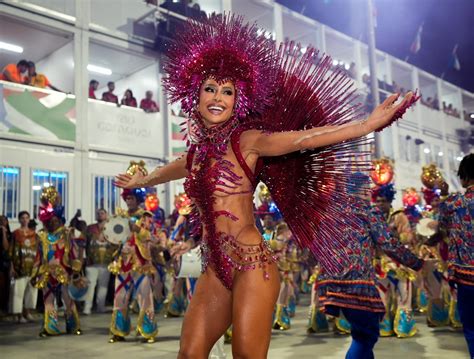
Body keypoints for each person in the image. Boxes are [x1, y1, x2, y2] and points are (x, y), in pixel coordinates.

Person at [115, 15, 417, 357]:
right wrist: (143, 179)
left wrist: (366, 124)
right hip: (215, 267)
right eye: (210, 88)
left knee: (247, 355)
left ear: (238, 99)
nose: (218, 97)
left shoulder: (248, 141)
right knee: (190, 353)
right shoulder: (196, 154)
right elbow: (170, 170)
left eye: (227, 91)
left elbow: (307, 138)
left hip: (251, 265)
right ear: (195, 94)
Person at [317, 172, 425, 358]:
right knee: (366, 336)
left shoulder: (331, 214)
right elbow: (388, 243)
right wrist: (415, 263)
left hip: (331, 283)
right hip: (357, 283)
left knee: (362, 333)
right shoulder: (368, 211)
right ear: (363, 190)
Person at [32, 187, 82, 337]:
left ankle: (73, 326)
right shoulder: (41, 236)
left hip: (64, 272)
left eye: (56, 220)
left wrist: (77, 271)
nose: (53, 223)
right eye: (50, 220)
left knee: (68, 300)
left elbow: (74, 252)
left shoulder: (67, 233)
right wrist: (35, 273)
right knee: (48, 300)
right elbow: (38, 256)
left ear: (60, 220)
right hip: (47, 272)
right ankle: (50, 328)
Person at [437, 154, 474, 357]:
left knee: (471, 328)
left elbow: (441, 225)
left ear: (465, 177)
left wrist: (443, 195)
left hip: (467, 278)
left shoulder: (455, 203)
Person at [373, 182, 419, 338]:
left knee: (403, 296)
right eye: (377, 201)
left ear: (390, 201)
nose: (380, 204)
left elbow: (409, 236)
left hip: (399, 264)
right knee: (381, 297)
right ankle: (384, 327)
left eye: (383, 201)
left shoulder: (399, 216)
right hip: (380, 264)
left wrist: (395, 236)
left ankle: (403, 328)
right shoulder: (372, 218)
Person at [83, 208, 117, 315]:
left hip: (106, 261)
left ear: (106, 215)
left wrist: (115, 259)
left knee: (103, 286)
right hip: (92, 261)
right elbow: (82, 242)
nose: (100, 215)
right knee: (90, 285)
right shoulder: (89, 228)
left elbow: (116, 245)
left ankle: (100, 306)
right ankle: (87, 308)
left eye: (102, 213)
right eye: (98, 213)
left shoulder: (111, 229)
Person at [9, 211, 38, 323]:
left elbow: (38, 251)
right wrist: (11, 267)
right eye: (22, 217)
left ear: (29, 219)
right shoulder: (15, 233)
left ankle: (28, 312)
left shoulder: (34, 234)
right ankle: (19, 314)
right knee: (18, 291)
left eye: (27, 217)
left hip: (32, 266)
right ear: (19, 219)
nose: (25, 219)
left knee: (31, 291)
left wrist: (37, 264)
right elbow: (11, 251)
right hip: (19, 267)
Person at [0, 215, 13, 314]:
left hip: (6, 262)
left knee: (6, 286)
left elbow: (6, 247)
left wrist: (4, 233)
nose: (2, 222)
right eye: (1, 220)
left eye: (4, 220)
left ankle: (4, 307)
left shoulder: (10, 234)